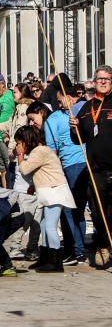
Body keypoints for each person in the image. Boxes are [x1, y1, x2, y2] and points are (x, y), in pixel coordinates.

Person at [15, 124, 74, 273]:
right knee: (43, 225)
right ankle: (46, 258)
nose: (17, 146)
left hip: (55, 192)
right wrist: (34, 185)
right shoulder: (40, 151)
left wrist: (20, 156)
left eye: (19, 143)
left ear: (26, 140)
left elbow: (25, 169)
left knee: (49, 226)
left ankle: (55, 262)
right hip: (49, 192)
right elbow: (43, 172)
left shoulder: (39, 151)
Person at [69, 64, 112, 269]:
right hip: (96, 169)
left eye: (107, 79)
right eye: (99, 79)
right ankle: (103, 244)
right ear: (94, 82)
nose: (102, 82)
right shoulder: (87, 107)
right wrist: (74, 128)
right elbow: (79, 140)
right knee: (97, 211)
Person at [46, 82, 89, 266]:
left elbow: (52, 151)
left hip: (73, 165)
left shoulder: (55, 118)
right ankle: (78, 250)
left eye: (60, 100)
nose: (59, 103)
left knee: (70, 210)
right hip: (85, 163)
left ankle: (74, 249)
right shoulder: (82, 110)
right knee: (79, 210)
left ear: (68, 97)